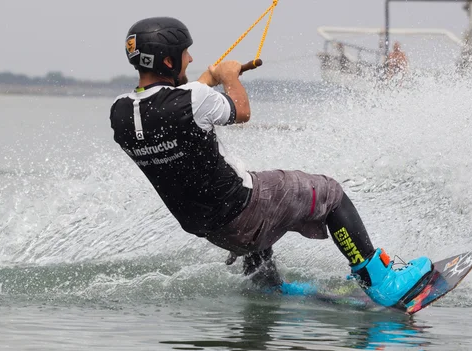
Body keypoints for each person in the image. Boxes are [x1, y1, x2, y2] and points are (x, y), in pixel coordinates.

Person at [109, 17, 433, 308]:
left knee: (249, 186)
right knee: (330, 193)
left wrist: (212, 76)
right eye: (185, 53)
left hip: (214, 230)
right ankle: (380, 281)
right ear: (168, 60)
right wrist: (231, 77)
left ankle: (267, 287)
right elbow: (241, 110)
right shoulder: (193, 99)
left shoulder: (121, 112)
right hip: (245, 212)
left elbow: (170, 105)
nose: (191, 59)